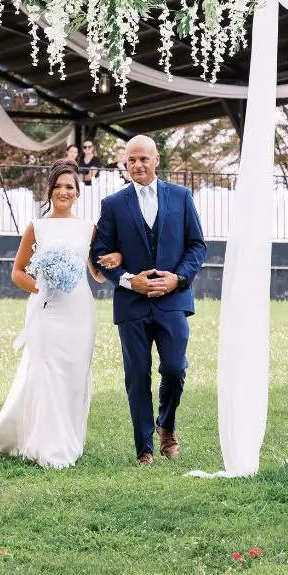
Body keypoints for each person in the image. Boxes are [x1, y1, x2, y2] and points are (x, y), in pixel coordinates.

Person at [0, 161, 116, 468]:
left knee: (75, 374)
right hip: (48, 311)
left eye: (70, 187)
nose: (64, 192)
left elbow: (98, 274)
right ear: (49, 190)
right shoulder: (36, 227)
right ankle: (48, 445)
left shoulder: (89, 228)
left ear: (77, 193)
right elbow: (17, 272)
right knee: (47, 370)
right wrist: (44, 287)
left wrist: (116, 259)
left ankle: (70, 437)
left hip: (80, 312)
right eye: (59, 186)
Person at [91, 135, 207, 465]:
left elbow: (197, 246)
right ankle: (144, 448)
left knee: (174, 369)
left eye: (144, 158)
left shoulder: (182, 197)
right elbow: (100, 252)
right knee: (137, 374)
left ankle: (166, 425)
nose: (138, 165)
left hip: (173, 301)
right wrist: (130, 281)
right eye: (131, 160)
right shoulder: (113, 204)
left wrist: (178, 278)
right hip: (132, 305)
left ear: (157, 160)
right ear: (124, 165)